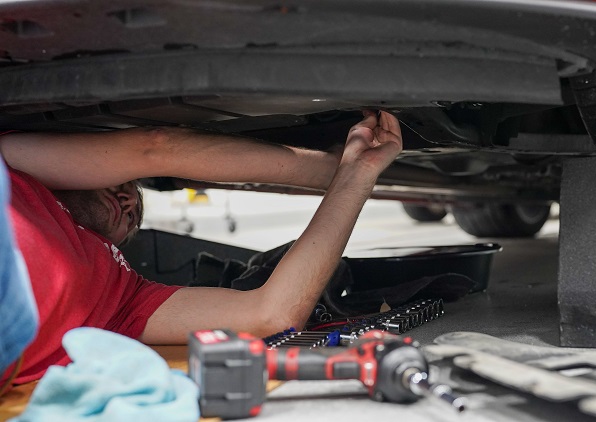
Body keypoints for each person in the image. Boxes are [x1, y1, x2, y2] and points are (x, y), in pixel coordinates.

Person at [0, 110, 402, 386]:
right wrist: (328, 169)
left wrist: (357, 175)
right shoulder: (16, 168)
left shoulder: (125, 297)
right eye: (124, 188)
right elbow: (155, 148)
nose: (129, 204)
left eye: (134, 216)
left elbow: (272, 313)